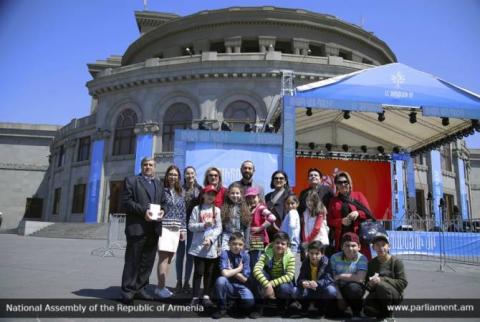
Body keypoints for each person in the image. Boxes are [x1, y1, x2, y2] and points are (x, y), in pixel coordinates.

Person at [120, 157, 163, 304]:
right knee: (132, 261)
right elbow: (126, 202)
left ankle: (141, 288)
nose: (148, 167)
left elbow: (163, 203)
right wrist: (144, 211)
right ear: (141, 166)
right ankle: (128, 291)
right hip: (137, 228)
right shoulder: (131, 180)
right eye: (145, 165)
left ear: (154, 167)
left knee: (147, 262)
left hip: (153, 229)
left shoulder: (158, 183)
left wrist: (163, 211)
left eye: (151, 165)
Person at [155, 165, 187, 299]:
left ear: (178, 177)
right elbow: (157, 207)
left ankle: (162, 286)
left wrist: (183, 229)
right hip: (164, 228)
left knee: (169, 260)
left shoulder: (180, 193)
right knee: (163, 258)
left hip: (175, 229)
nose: (173, 176)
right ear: (167, 176)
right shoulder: (161, 190)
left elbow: (182, 212)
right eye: (171, 174)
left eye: (175, 174)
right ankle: (160, 287)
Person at [188, 184, 223, 307]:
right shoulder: (197, 209)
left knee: (209, 272)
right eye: (208, 193)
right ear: (203, 195)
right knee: (198, 272)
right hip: (198, 247)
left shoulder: (217, 210)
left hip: (211, 247)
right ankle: (195, 297)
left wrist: (211, 239)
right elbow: (191, 226)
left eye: (213, 194)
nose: (210, 196)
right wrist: (203, 225)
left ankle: (206, 296)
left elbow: (219, 228)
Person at [251, 231, 298, 318]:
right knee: (259, 276)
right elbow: (256, 269)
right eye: (277, 242)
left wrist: (271, 284)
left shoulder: (290, 256)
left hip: (282, 282)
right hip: (268, 279)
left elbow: (290, 275)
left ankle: (282, 307)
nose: (280, 245)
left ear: (287, 246)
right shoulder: (266, 253)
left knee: (285, 288)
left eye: (283, 244)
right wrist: (267, 284)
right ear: (273, 243)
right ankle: (259, 307)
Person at [328, 171, 372, 259]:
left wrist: (358, 213)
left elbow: (369, 213)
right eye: (340, 182)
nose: (343, 184)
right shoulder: (333, 200)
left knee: (361, 263)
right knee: (343, 264)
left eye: (345, 181)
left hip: (359, 236)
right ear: (336, 185)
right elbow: (329, 220)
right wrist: (341, 222)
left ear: (349, 183)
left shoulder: (358, 195)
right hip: (342, 238)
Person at [364, 233, 408, 320]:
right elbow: (367, 284)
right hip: (377, 294)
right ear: (373, 247)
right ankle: (382, 313)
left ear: (389, 246)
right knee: (368, 310)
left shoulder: (396, 262)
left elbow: (403, 283)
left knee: (381, 286)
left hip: (394, 295)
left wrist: (381, 279)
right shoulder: (371, 263)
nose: (381, 248)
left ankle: (389, 314)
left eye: (383, 245)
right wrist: (370, 284)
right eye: (377, 245)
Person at [212, 232, 255, 319]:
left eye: (240, 244)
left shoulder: (246, 256)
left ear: (243, 246)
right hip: (228, 285)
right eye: (234, 244)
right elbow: (225, 274)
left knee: (249, 302)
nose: (237, 246)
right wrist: (239, 269)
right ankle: (222, 308)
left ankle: (237, 305)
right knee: (221, 280)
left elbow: (245, 279)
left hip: (241, 285)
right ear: (229, 244)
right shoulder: (225, 254)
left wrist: (231, 271)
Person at [175, 166, 202, 293]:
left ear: (195, 175)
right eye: (187, 173)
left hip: (193, 225)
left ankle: (187, 282)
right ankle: (179, 282)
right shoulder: (179, 189)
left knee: (190, 254)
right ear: (184, 175)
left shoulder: (200, 190)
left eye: (192, 173)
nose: (190, 175)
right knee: (180, 254)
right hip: (180, 224)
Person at [330, 232, 368, 319]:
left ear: (359, 247)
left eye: (353, 245)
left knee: (353, 288)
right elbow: (332, 279)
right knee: (331, 313)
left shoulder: (362, 258)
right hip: (339, 288)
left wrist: (341, 276)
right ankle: (345, 307)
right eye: (347, 245)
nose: (350, 248)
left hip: (353, 288)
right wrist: (339, 297)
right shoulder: (334, 257)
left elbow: (360, 279)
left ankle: (356, 310)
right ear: (342, 247)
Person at [296, 241, 337, 316]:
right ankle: (305, 306)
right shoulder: (306, 262)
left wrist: (317, 283)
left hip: (321, 289)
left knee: (331, 291)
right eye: (311, 253)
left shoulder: (327, 262)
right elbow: (300, 279)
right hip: (309, 288)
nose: (313, 256)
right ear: (308, 253)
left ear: (322, 254)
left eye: (317, 254)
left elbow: (329, 279)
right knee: (295, 290)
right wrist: (303, 282)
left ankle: (322, 307)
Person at [245, 186, 276, 272]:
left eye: (254, 197)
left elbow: (272, 218)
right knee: (252, 262)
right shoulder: (250, 209)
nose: (251, 200)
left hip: (258, 239)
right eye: (249, 198)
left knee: (256, 263)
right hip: (251, 240)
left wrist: (260, 228)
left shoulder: (261, 208)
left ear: (258, 197)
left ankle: (259, 284)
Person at [220, 182, 251, 251]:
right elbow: (221, 227)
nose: (235, 195)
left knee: (239, 258)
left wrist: (246, 243)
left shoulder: (244, 208)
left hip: (240, 237)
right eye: (232, 193)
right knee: (225, 257)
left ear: (241, 194)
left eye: (237, 193)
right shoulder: (223, 208)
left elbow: (247, 227)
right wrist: (219, 242)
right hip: (227, 237)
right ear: (228, 194)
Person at [301, 190, 329, 260]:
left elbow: (317, 228)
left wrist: (308, 241)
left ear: (316, 201)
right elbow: (304, 228)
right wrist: (305, 241)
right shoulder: (305, 213)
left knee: (319, 261)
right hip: (309, 242)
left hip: (320, 241)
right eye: (307, 201)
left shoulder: (320, 211)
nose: (309, 203)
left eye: (311, 200)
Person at [265, 170, 294, 239]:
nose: (278, 180)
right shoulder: (267, 196)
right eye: (276, 178)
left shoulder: (290, 195)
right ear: (272, 180)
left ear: (285, 181)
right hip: (267, 232)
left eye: (281, 178)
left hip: (282, 232)